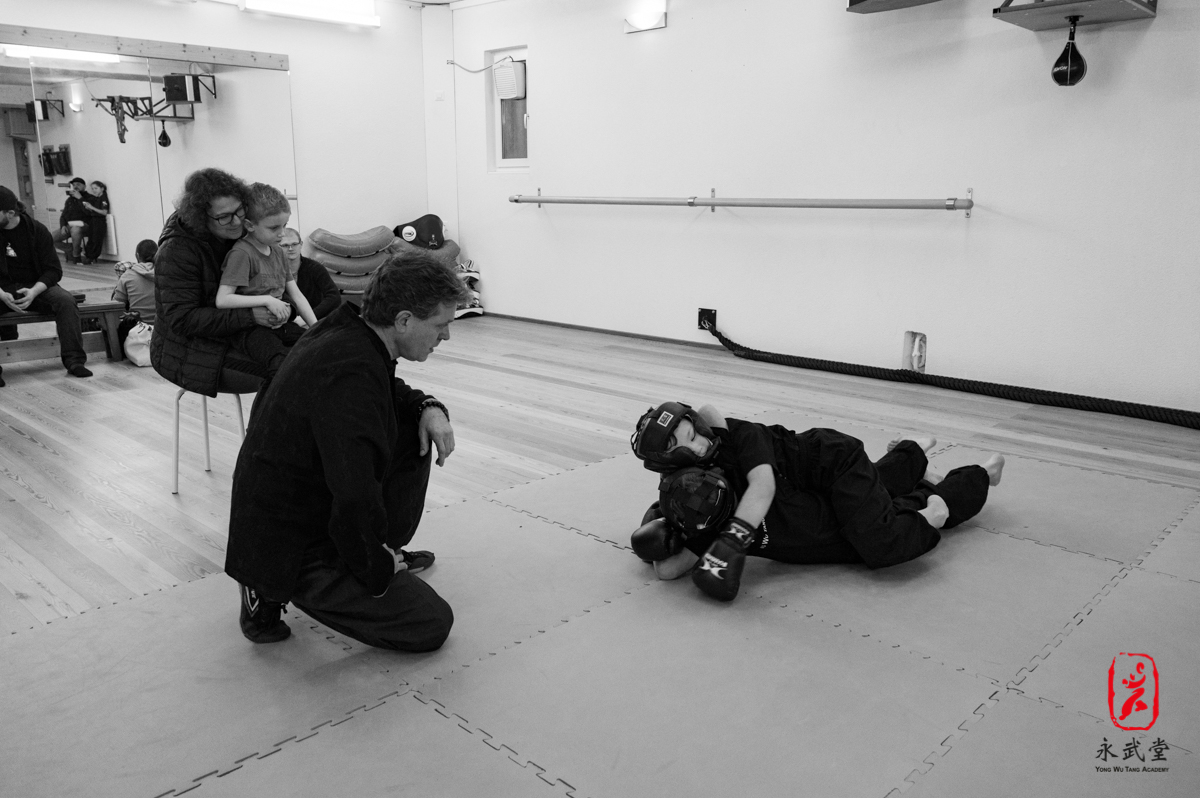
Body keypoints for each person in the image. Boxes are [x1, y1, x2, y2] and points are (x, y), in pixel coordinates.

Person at [225, 253, 472, 649]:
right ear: (404, 320)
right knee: (430, 623)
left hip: (307, 504)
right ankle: (266, 586)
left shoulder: (348, 332)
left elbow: (388, 390)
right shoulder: (351, 375)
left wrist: (428, 406)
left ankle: (379, 549)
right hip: (289, 540)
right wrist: (376, 567)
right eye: (441, 325)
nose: (445, 336)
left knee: (414, 426)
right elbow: (354, 492)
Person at [629, 401, 1004, 601]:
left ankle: (937, 509)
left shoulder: (738, 438)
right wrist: (668, 529)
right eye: (687, 445)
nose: (700, 444)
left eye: (694, 433)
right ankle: (913, 454)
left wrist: (731, 541)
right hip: (809, 497)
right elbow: (668, 570)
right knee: (876, 493)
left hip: (832, 462)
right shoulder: (700, 500)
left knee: (879, 539)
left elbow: (762, 485)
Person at [151, 167, 287, 396]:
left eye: (239, 210)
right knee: (286, 371)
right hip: (189, 351)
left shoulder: (242, 233)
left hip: (242, 332)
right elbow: (183, 320)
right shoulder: (176, 252)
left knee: (314, 355)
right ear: (201, 218)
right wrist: (250, 315)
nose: (236, 221)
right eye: (224, 217)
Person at [215, 183, 316, 379]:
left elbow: (296, 295)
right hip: (250, 330)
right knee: (281, 364)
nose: (282, 233)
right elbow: (223, 299)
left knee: (315, 348)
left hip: (279, 325)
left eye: (284, 225)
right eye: (274, 228)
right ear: (250, 225)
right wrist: (267, 300)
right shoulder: (242, 253)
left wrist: (316, 328)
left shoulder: (278, 251)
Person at [0, 185, 92, 387]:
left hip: (35, 286)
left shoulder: (37, 231)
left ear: (10, 213)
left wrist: (34, 291)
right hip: (2, 289)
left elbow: (53, 270)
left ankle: (75, 361)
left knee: (65, 301)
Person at [280, 227, 341, 321]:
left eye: (294, 244)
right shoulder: (273, 271)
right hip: (286, 320)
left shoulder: (315, 268)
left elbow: (334, 297)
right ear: (278, 247)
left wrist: (310, 317)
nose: (291, 248)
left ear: (301, 244)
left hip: (314, 319)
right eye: (285, 245)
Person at [113, 239, 158, 323]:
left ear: (137, 255)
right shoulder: (167, 274)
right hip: (165, 326)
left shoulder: (127, 275)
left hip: (137, 326)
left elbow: (117, 305)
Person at [52, 177, 88, 264]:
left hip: (85, 225)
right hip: (70, 225)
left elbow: (88, 212)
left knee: (75, 229)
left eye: (78, 185)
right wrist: (63, 226)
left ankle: (76, 255)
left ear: (84, 186)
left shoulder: (89, 198)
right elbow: (63, 215)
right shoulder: (70, 200)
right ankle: (72, 249)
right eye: (74, 185)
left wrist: (80, 198)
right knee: (51, 238)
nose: (75, 187)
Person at [80, 180, 110, 264]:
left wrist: (92, 207)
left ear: (102, 188)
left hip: (99, 221)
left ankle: (91, 257)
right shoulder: (98, 198)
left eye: (96, 188)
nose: (94, 190)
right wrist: (89, 208)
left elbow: (104, 212)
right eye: (92, 188)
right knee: (91, 238)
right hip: (93, 220)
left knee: (96, 239)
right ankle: (88, 255)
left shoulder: (104, 199)